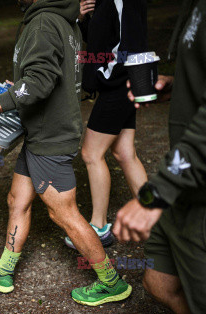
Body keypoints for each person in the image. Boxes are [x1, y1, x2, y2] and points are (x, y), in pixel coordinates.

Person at [0, 0, 132, 306]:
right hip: (44, 132)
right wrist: (19, 87)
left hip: (50, 138)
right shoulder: (66, 21)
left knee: (63, 213)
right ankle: (3, 271)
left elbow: (39, 82)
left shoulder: (43, 23)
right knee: (17, 200)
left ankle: (111, 283)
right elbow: (53, 76)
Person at [113, 1, 206, 314]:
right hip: (184, 189)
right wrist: (179, 87)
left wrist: (155, 194)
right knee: (159, 282)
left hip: (194, 191)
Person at [63, 0, 149, 249]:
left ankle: (98, 226)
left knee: (91, 153)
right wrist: (83, 19)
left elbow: (131, 45)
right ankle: (158, 219)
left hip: (119, 87)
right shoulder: (102, 1)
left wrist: (104, 77)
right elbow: (101, 40)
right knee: (124, 153)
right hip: (118, 86)